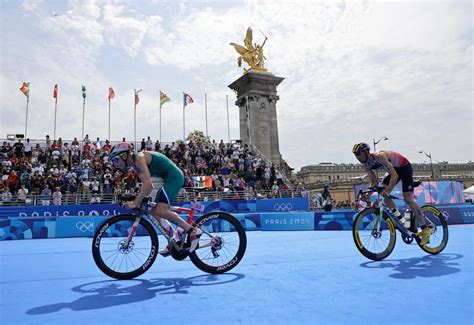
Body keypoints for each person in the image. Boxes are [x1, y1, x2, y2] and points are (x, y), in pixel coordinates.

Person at [108, 142, 202, 256]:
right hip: (166, 179)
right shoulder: (134, 164)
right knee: (154, 212)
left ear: (124, 156)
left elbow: (148, 186)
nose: (115, 164)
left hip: (174, 177)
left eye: (115, 160)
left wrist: (134, 203)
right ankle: (175, 239)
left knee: (161, 210)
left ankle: (193, 231)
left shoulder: (139, 158)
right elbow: (145, 186)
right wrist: (135, 198)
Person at [352, 142, 432, 245]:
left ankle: (425, 229)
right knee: (383, 194)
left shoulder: (379, 156)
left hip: (404, 168)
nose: (357, 157)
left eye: (358, 154)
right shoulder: (366, 165)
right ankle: (402, 220)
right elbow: (374, 182)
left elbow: (394, 175)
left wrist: (388, 191)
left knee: (408, 199)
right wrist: (367, 196)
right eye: (355, 155)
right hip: (392, 171)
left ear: (366, 152)